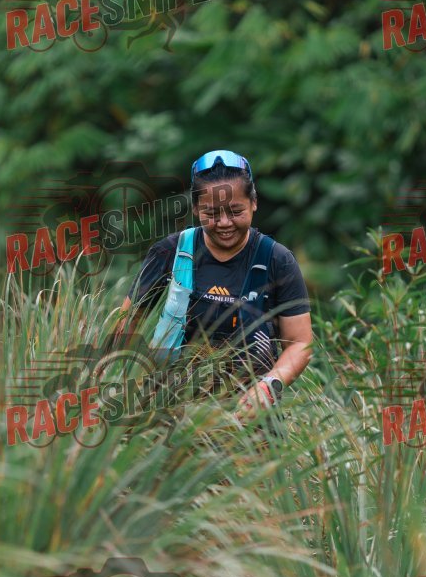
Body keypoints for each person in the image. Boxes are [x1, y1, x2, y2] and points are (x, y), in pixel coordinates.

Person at [117, 150, 312, 418]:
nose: (224, 223)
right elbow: (128, 324)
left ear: (254, 203)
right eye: (211, 213)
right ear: (195, 209)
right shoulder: (170, 253)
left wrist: (269, 387)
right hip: (170, 413)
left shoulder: (277, 260)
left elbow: (300, 343)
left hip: (250, 418)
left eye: (236, 211)